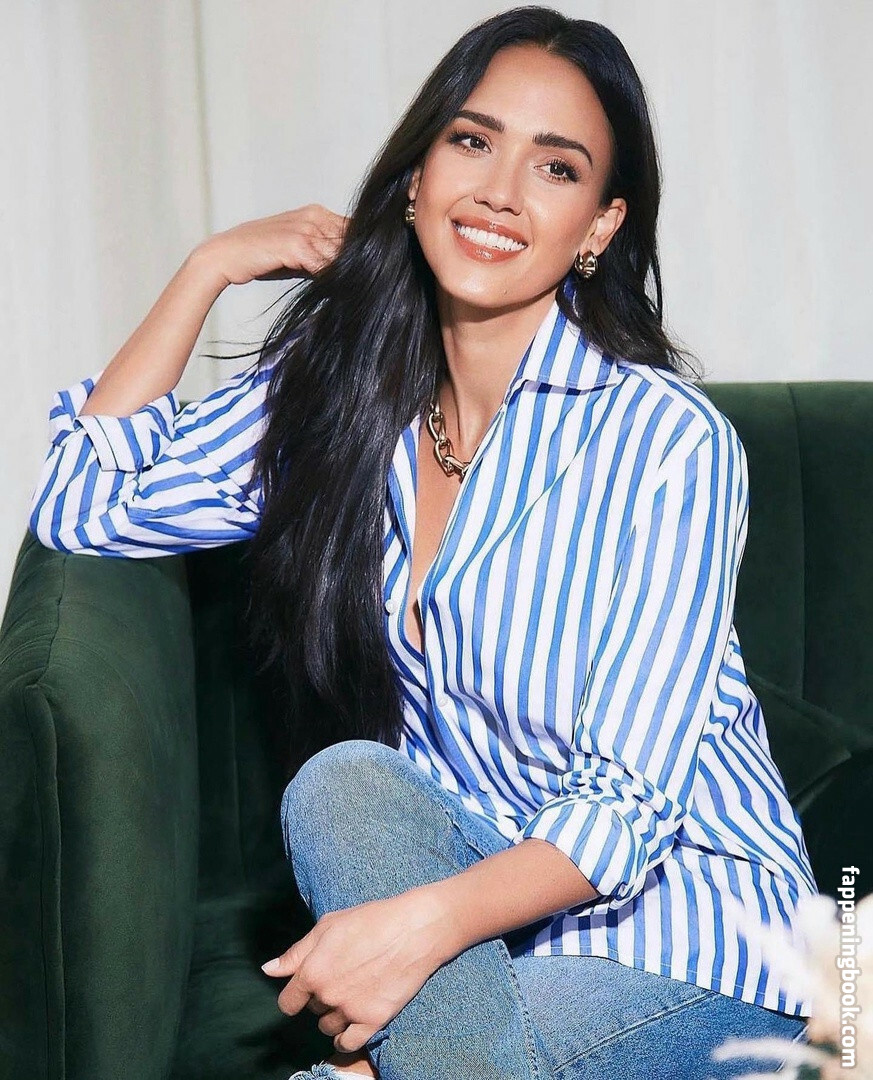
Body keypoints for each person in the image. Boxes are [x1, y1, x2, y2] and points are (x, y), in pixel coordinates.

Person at [27, 7, 819, 1079]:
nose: (500, 190)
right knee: (343, 784)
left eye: (555, 167)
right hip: (491, 941)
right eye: (472, 141)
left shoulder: (668, 441)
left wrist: (413, 932)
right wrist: (209, 266)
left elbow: (627, 809)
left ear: (598, 226)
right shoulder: (344, 401)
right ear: (416, 175)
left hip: (700, 934)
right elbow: (84, 505)